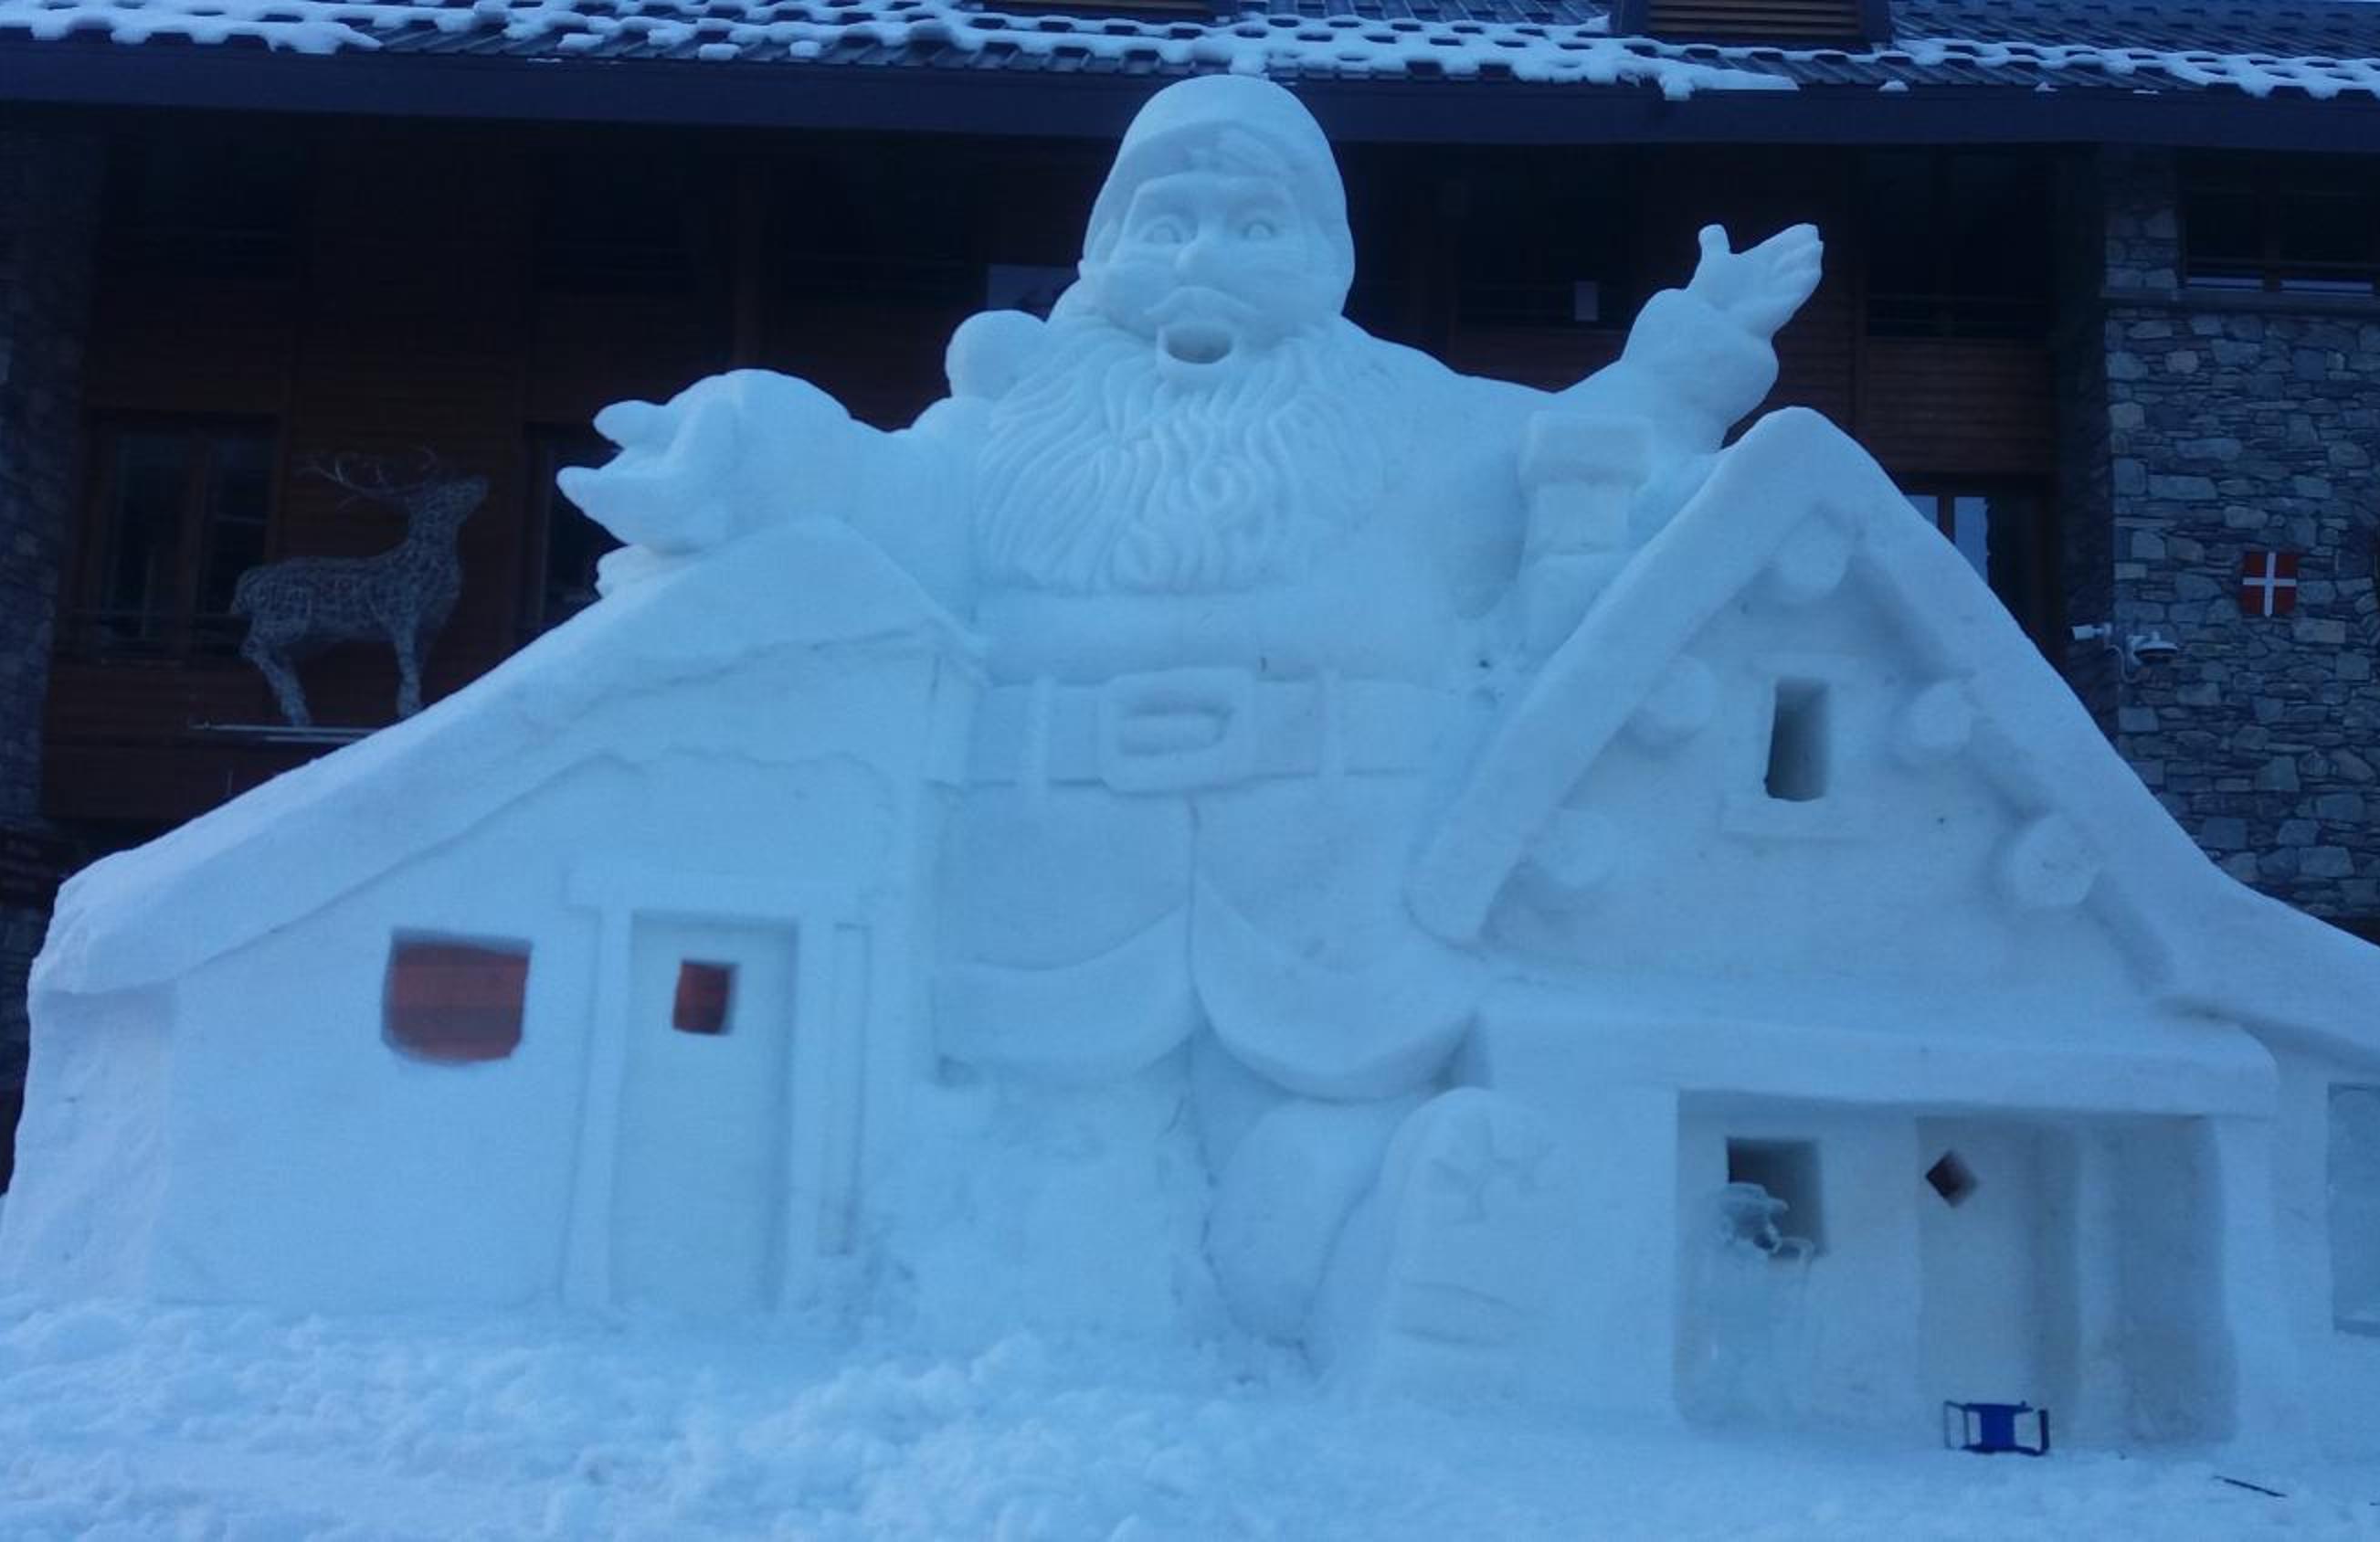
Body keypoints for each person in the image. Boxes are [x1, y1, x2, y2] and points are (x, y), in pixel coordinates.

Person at [560, 72, 1825, 1367]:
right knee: (1043, 1139)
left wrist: (1683, 367)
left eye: (1255, 226)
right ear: (1104, 250)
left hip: (1328, 872)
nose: (1201, 259)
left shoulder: (1408, 418)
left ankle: (1365, 1232)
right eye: (1164, 225)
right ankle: (1041, 1284)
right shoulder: (1015, 429)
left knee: (1321, 1113)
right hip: (1054, 870)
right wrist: (738, 440)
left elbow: (1579, 459)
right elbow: (864, 477)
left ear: (1327, 257)